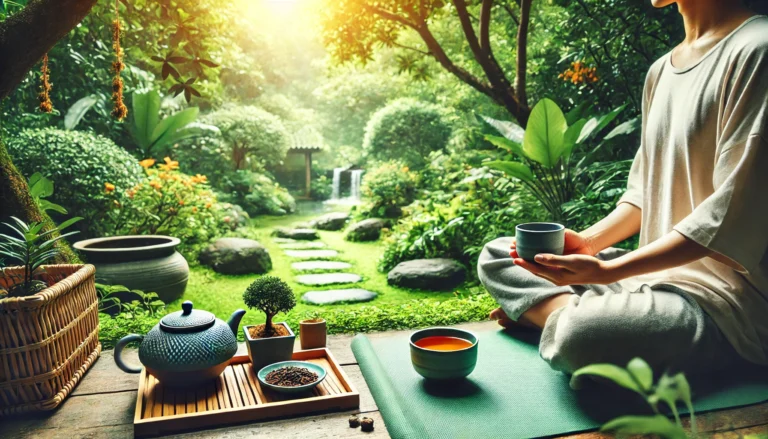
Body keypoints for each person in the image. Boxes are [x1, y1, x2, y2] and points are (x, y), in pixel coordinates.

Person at [478, 0, 768, 376]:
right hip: (647, 281)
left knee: (583, 335)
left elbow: (729, 216)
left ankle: (553, 318)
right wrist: (589, 245)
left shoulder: (756, 50)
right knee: (501, 253)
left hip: (725, 305)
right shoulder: (661, 70)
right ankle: (566, 316)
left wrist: (607, 274)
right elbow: (642, 196)